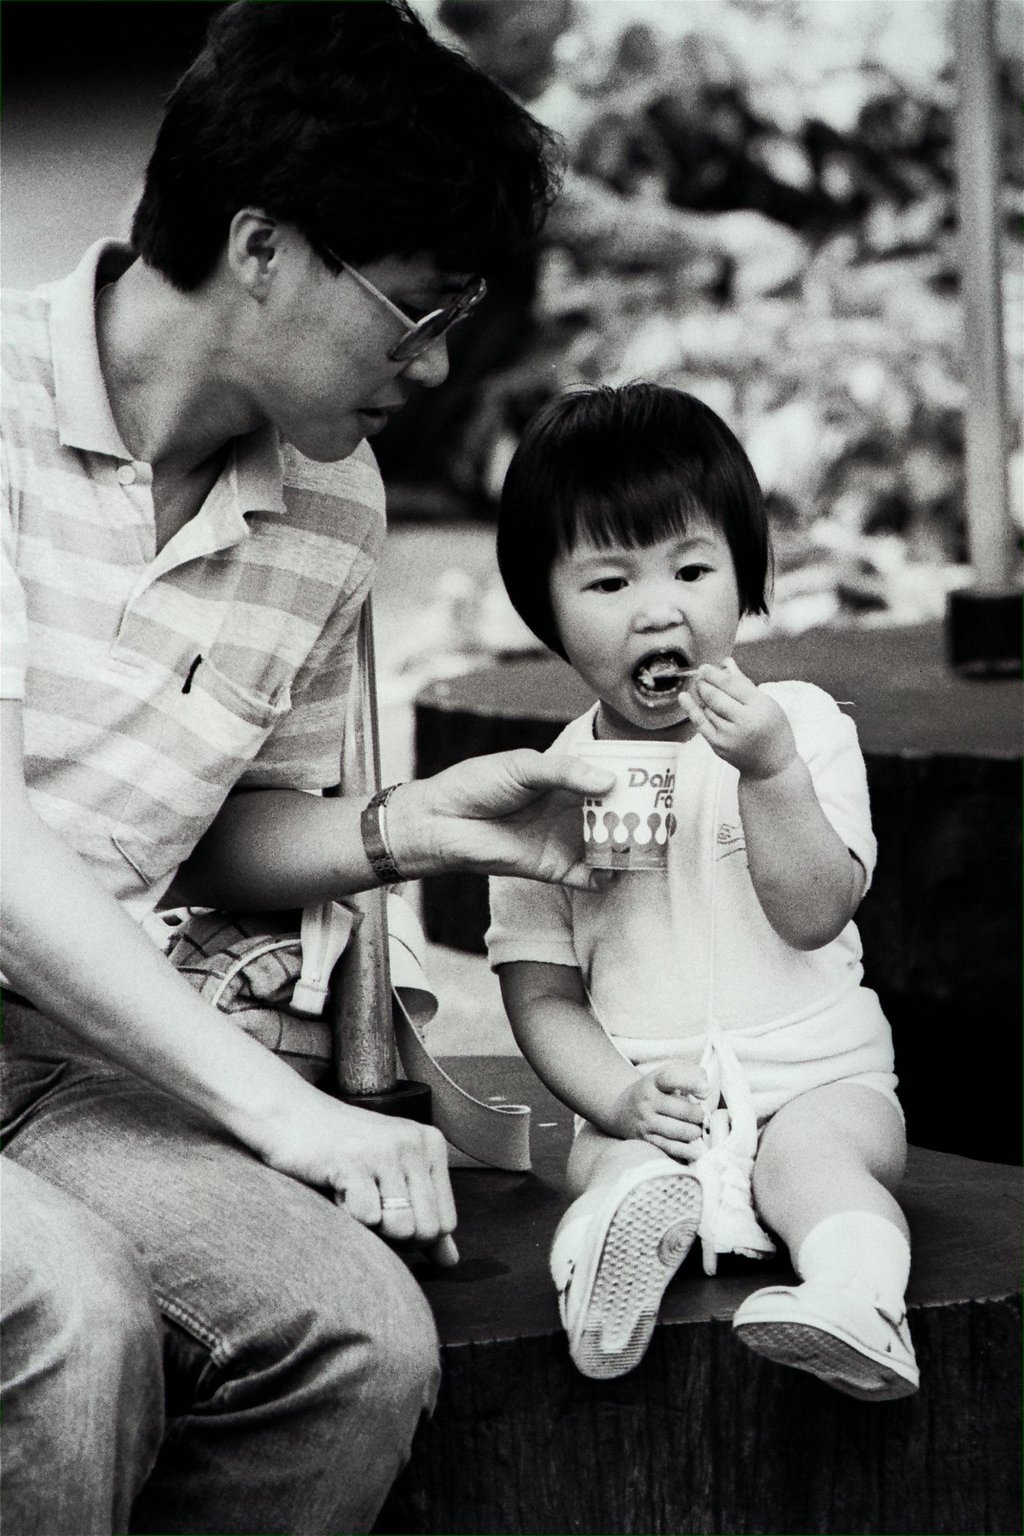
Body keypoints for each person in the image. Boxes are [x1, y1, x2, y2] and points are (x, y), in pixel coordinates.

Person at [0, 5, 620, 1533]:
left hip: (52, 1058)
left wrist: (406, 829)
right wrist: (289, 1118)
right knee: (73, 1318)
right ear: (263, 246)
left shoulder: (331, 508)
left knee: (354, 1340)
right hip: (81, 1026)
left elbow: (208, 833)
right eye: (416, 308)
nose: (440, 361)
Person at [487, 381, 919, 1401]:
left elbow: (815, 911)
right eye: (607, 583)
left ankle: (859, 1305)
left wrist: (767, 773)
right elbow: (539, 994)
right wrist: (619, 1099)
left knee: (811, 1166)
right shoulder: (550, 786)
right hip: (654, 1097)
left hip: (822, 1079)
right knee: (611, 1173)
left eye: (690, 568)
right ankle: (604, 1282)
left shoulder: (799, 727)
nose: (658, 608)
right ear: (543, 610)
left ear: (743, 577)